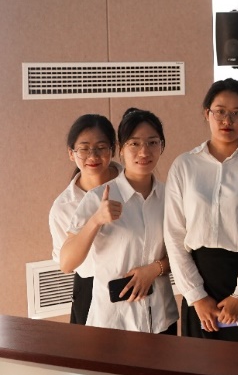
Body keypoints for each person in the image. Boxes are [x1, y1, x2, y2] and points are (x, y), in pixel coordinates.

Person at [164, 79, 238, 344]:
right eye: (220, 111)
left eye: (237, 113)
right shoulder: (185, 165)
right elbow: (173, 236)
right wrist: (196, 295)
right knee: (200, 365)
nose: (227, 120)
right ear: (206, 113)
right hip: (200, 282)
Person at [60, 109, 177, 334]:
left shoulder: (170, 196)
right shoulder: (97, 198)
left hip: (161, 318)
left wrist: (155, 269)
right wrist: (96, 221)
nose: (144, 151)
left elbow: (184, 252)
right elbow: (67, 263)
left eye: (152, 142)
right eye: (134, 143)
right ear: (120, 148)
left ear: (161, 146)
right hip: (114, 322)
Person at [49, 114, 121, 325]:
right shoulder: (63, 206)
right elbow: (66, 264)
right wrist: (94, 221)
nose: (93, 155)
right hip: (91, 289)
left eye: (101, 147)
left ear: (113, 149)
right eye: (84, 149)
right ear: (71, 153)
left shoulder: (133, 183)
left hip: (138, 283)